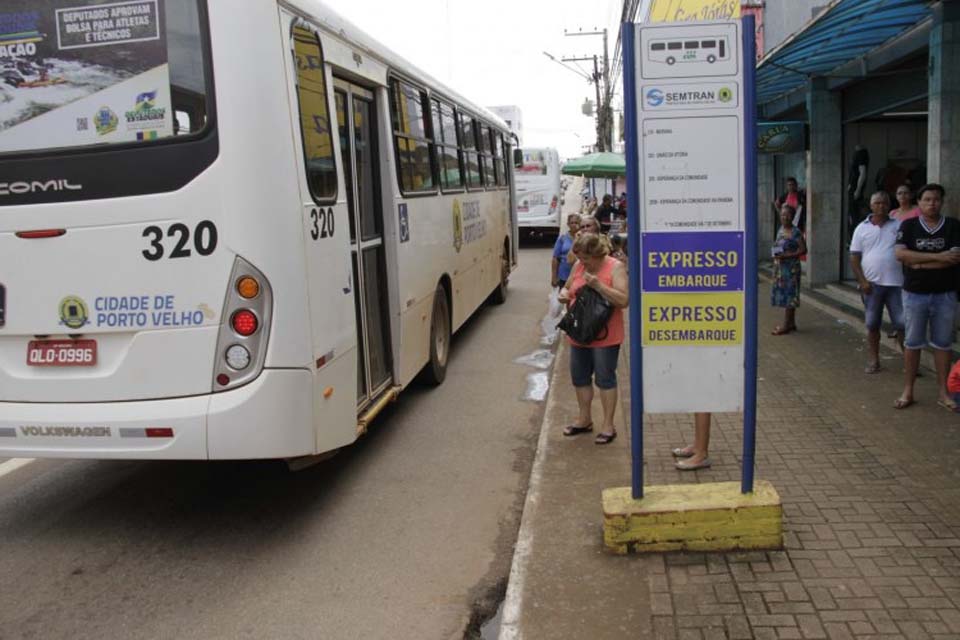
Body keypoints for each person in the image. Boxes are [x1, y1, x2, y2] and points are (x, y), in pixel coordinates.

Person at [557, 233, 629, 445]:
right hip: (579, 332)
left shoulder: (614, 267)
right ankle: (584, 419)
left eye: (586, 259)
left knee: (605, 379)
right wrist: (564, 293)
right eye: (580, 258)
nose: (582, 262)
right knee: (579, 377)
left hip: (605, 335)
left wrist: (599, 286)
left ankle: (608, 424)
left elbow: (624, 300)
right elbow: (568, 286)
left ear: (597, 255)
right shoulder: (579, 266)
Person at [893, 183, 960, 410]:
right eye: (927, 199)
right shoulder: (909, 225)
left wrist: (920, 262)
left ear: (942, 202)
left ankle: (943, 392)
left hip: (945, 295)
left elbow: (955, 258)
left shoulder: (952, 226)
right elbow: (900, 254)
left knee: (943, 343)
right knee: (912, 343)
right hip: (914, 294)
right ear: (919, 203)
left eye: (937, 200)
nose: (932, 204)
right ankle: (908, 390)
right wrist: (940, 258)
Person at [849, 192, 904, 373]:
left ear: (889, 206)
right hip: (871, 286)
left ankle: (908, 361)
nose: (881, 206)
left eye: (885, 203)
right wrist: (862, 281)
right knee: (873, 324)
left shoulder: (898, 225)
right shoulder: (861, 228)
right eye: (877, 203)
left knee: (902, 324)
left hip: (896, 284)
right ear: (871, 206)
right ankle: (874, 360)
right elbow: (854, 258)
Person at [771, 204, 807, 335]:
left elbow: (803, 249)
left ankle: (786, 325)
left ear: (792, 217)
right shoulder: (780, 229)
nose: (784, 217)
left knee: (789, 296)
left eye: (787, 215)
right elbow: (778, 244)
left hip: (791, 269)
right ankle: (791, 323)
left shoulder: (796, 232)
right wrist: (775, 253)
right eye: (782, 215)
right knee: (786, 294)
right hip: (780, 268)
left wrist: (788, 255)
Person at [551, 213, 580, 289]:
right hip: (564, 275)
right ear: (568, 224)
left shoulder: (584, 237)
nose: (574, 225)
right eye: (572, 223)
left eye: (576, 223)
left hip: (580, 275)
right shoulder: (563, 238)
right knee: (564, 297)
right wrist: (554, 276)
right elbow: (555, 258)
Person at [847, 144, 870, 238]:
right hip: (852, 187)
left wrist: (858, 189)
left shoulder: (861, 154)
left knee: (855, 214)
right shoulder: (857, 154)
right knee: (852, 214)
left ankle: (855, 236)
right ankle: (853, 236)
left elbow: (863, 173)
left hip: (855, 189)